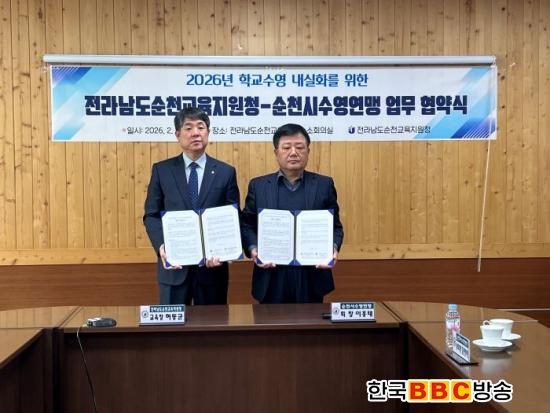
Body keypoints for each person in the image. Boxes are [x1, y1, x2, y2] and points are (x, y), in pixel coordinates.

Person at [143, 107, 240, 305]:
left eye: (201, 127)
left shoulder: (226, 172)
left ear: (208, 132)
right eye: (188, 128)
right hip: (174, 269)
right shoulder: (162, 170)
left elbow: (233, 216)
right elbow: (151, 215)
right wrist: (162, 246)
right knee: (173, 324)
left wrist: (226, 249)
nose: (195, 133)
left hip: (213, 269)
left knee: (213, 323)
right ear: (177, 134)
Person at [241, 123, 344, 303]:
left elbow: (336, 227)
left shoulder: (324, 185)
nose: (294, 152)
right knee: (270, 322)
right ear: (276, 152)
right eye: (287, 147)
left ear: (308, 151)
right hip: (271, 274)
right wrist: (253, 248)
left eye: (300, 147)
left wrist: (333, 248)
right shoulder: (258, 186)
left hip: (311, 274)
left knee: (311, 322)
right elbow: (247, 224)